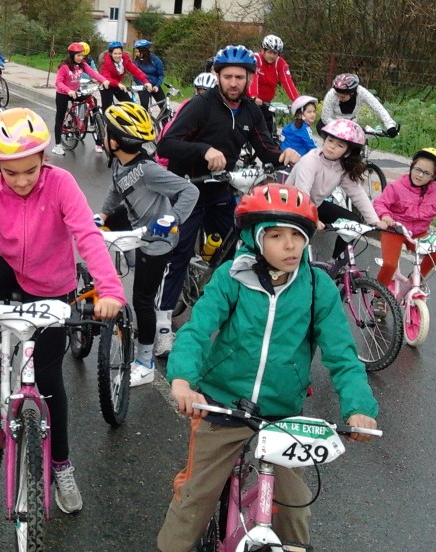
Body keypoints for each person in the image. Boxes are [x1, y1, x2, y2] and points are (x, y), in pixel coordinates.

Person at [157, 183, 379, 552]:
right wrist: (182, 380)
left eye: (297, 235)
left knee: (294, 508)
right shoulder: (231, 276)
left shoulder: (318, 287)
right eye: (276, 236)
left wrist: (359, 409)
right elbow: (196, 331)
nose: (290, 245)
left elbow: (342, 355)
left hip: (283, 414)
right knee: (196, 498)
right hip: (223, 406)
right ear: (255, 239)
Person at [0, 108, 125, 515]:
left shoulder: (62, 185)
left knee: (49, 383)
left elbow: (87, 237)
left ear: (44, 160)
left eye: (29, 171)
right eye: (10, 173)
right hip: (5, 266)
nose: (20, 181)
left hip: (52, 284)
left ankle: (61, 465)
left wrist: (109, 289)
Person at [155, 45, 300, 355]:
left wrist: (282, 154)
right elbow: (166, 144)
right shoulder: (200, 106)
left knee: (245, 243)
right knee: (178, 254)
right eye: (228, 76)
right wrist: (203, 151)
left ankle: (236, 309)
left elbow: (265, 148)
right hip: (189, 188)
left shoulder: (250, 110)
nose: (234, 83)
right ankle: (163, 325)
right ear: (217, 76)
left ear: (250, 78)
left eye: (240, 77)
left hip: (222, 189)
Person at [98, 102, 199, 387]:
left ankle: (145, 363)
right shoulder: (121, 160)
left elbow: (189, 191)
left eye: (105, 132)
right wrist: (103, 215)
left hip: (156, 240)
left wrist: (173, 219)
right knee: (97, 233)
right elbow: (116, 187)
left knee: (142, 300)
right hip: (135, 219)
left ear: (115, 141)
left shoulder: (147, 170)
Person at [286, 118, 387, 257]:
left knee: (353, 222)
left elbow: (357, 193)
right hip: (292, 206)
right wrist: (313, 218)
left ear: (346, 153)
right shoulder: (310, 160)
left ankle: (337, 262)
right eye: (330, 140)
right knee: (303, 238)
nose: (332, 146)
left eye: (339, 145)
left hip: (315, 205)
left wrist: (374, 221)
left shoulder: (341, 167)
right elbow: (302, 193)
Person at [373, 148, 436, 292]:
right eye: (417, 169)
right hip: (395, 230)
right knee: (389, 264)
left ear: (434, 176)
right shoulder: (396, 187)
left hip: (419, 233)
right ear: (411, 167)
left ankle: (416, 278)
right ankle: (379, 295)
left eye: (426, 173)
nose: (419, 175)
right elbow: (380, 203)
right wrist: (385, 216)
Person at [51, 41, 110, 156]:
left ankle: (93, 123)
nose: (81, 57)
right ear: (72, 55)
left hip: (75, 92)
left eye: (82, 55)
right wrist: (68, 90)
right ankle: (57, 145)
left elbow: (93, 73)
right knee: (60, 117)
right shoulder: (64, 66)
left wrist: (104, 80)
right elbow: (58, 82)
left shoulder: (83, 64)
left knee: (91, 99)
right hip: (63, 93)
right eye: (78, 55)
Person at [153, 72, 218, 169]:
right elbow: (170, 132)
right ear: (195, 91)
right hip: (175, 160)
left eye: (207, 93)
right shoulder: (189, 106)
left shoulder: (218, 109)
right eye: (200, 92)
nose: (204, 97)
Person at [248, 34, 299, 135]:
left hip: (266, 102)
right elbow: (252, 79)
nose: (272, 56)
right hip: (251, 99)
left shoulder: (280, 63)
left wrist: (298, 101)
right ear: (263, 50)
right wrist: (253, 96)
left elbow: (288, 82)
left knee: (268, 129)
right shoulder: (255, 59)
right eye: (269, 52)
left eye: (275, 53)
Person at [319, 73, 399, 137]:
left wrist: (390, 125)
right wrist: (343, 127)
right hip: (331, 123)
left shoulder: (361, 92)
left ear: (352, 93)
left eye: (342, 96)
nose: (339, 98)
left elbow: (377, 108)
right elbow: (326, 117)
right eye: (337, 95)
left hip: (351, 123)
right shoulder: (331, 94)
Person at [99, 39, 151, 111]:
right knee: (107, 108)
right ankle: (104, 121)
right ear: (110, 53)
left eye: (120, 53)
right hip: (106, 85)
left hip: (118, 85)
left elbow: (135, 70)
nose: (118, 56)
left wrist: (146, 81)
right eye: (115, 54)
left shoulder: (125, 60)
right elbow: (106, 78)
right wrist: (118, 84)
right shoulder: (106, 63)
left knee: (129, 105)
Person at [132, 39, 166, 112]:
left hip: (154, 85)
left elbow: (161, 75)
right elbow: (135, 77)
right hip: (142, 86)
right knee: (144, 106)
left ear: (143, 51)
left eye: (137, 51)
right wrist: (145, 85)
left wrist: (157, 85)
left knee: (164, 106)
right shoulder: (136, 62)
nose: (135, 53)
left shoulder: (156, 61)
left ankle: (165, 122)